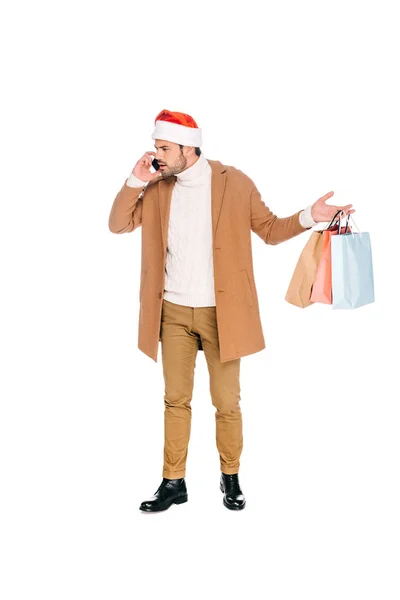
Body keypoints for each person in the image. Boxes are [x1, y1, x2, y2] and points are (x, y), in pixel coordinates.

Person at [108, 109, 355, 512]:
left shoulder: (233, 182)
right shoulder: (155, 187)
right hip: (171, 310)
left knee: (226, 402)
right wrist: (136, 179)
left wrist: (312, 216)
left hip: (222, 313)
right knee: (175, 400)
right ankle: (173, 483)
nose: (158, 155)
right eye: (156, 147)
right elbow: (117, 225)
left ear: (189, 147)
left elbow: (271, 230)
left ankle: (231, 477)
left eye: (164, 148)